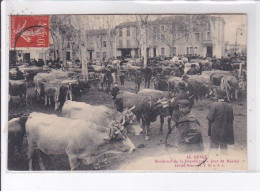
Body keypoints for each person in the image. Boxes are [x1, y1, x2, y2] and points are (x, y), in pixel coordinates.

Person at [206, 88, 234, 154]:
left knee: (214, 149)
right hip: (226, 132)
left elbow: (209, 118)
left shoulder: (215, 104)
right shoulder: (229, 106)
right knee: (224, 149)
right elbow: (232, 119)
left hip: (216, 131)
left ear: (218, 96)